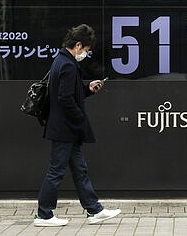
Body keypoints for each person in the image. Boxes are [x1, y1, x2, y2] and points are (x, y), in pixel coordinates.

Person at [34, 24, 121, 227]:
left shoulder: (62, 61)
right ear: (79, 45)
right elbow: (65, 99)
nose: (86, 54)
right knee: (56, 171)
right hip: (65, 129)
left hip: (65, 129)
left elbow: (68, 92)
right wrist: (80, 118)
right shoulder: (67, 64)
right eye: (87, 50)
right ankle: (44, 215)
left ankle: (94, 210)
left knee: (80, 170)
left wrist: (88, 89)